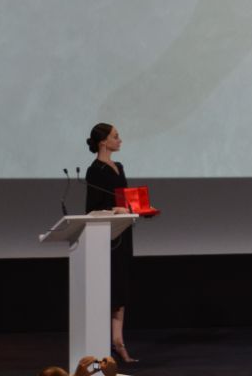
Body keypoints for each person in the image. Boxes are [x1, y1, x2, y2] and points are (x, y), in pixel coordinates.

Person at [84, 123, 137, 364]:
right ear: (103, 142)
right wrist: (112, 209)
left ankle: (118, 341)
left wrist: (132, 207)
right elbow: (91, 208)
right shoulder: (95, 170)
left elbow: (124, 198)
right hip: (106, 235)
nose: (120, 140)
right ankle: (103, 343)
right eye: (116, 136)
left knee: (121, 287)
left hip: (123, 231)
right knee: (108, 287)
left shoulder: (120, 166)